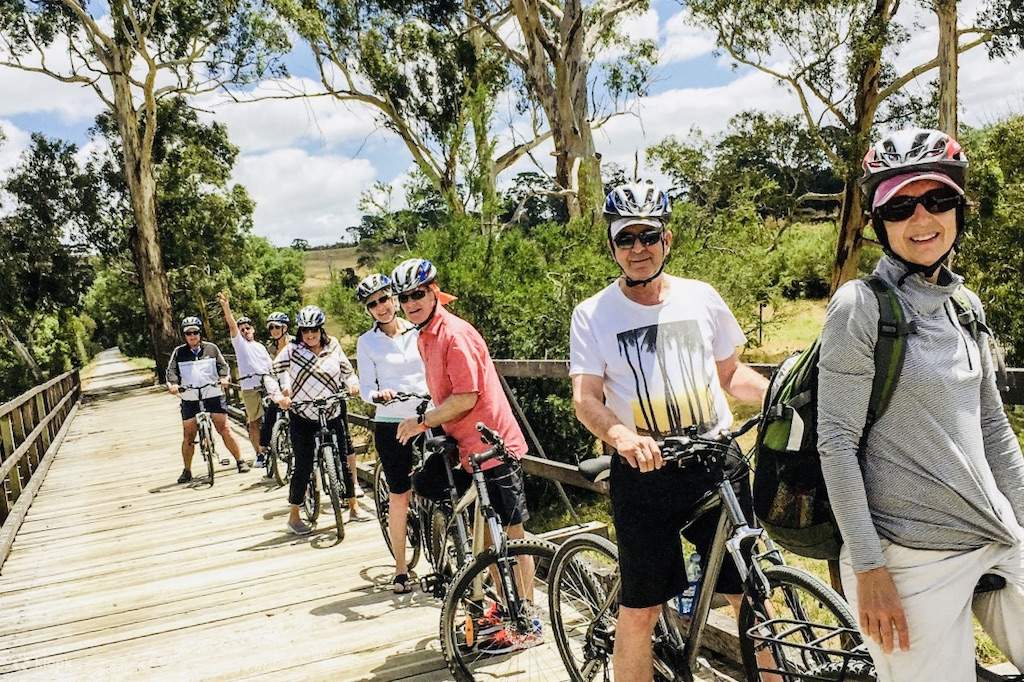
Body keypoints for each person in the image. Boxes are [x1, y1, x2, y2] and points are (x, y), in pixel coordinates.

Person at [818, 128, 1024, 681]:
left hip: (998, 535)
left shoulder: (965, 305)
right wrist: (871, 571)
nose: (922, 219)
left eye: (937, 200)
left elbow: (992, 425)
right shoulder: (859, 309)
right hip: (910, 557)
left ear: (959, 209)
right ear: (880, 224)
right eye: (901, 206)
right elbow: (835, 445)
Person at [568, 180, 770, 681]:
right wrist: (622, 437)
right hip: (644, 470)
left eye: (648, 236)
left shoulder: (701, 298)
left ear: (667, 239)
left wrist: (780, 396)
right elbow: (586, 398)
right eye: (626, 238)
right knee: (642, 608)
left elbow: (731, 375)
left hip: (715, 463)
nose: (638, 248)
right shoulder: (593, 314)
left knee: (754, 593)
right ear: (613, 246)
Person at [392, 258, 537, 652]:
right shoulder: (424, 334)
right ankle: (484, 595)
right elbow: (445, 392)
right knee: (447, 503)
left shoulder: (455, 334)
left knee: (512, 535)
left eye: (417, 294)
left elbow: (467, 396)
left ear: (434, 291)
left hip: (492, 445)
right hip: (462, 446)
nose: (410, 303)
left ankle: (528, 616)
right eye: (404, 297)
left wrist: (423, 421)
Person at [355, 273, 430, 594]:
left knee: (445, 485)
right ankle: (401, 569)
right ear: (368, 310)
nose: (381, 307)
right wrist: (377, 395)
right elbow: (365, 388)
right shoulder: (366, 342)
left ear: (394, 298)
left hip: (429, 415)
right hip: (391, 422)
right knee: (399, 496)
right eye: (373, 304)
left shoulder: (419, 328)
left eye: (384, 299)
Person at [266, 305, 365, 535]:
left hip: (331, 410)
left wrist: (352, 383)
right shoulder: (291, 350)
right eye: (305, 330)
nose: (310, 335)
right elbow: (270, 374)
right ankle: (294, 516)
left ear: (321, 329)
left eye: (314, 330)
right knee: (302, 465)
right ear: (300, 331)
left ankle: (353, 506)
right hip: (303, 413)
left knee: (342, 460)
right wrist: (279, 397)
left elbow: (347, 371)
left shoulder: (333, 346)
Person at [166, 316, 250, 483]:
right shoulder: (179, 352)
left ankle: (240, 461)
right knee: (188, 435)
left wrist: (224, 378)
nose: (192, 336)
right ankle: (187, 470)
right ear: (184, 335)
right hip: (190, 397)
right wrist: (173, 385)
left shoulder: (211, 349)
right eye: (188, 333)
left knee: (224, 428)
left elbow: (223, 366)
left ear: (200, 333)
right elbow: (171, 372)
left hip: (212, 393)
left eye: (195, 332)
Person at [217, 292, 274, 466]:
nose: (244, 330)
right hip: (250, 386)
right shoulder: (239, 344)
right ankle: (259, 454)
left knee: (277, 415)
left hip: (267, 383)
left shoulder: (261, 347)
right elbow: (232, 325)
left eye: (247, 328)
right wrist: (226, 307)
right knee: (254, 421)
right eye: (242, 329)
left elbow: (272, 365)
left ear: (253, 330)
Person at [260, 311, 293, 455]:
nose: (274, 330)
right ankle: (263, 449)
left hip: (295, 383)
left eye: (277, 327)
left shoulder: (295, 343)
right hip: (276, 384)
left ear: (284, 328)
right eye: (271, 327)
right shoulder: (269, 348)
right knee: (270, 414)